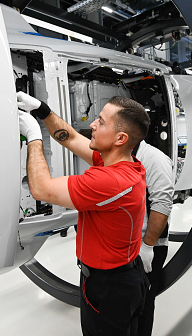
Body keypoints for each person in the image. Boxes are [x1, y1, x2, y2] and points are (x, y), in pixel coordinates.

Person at [17, 92, 150, 336]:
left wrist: (33, 136)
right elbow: (72, 139)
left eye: (101, 121)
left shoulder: (111, 181)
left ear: (120, 138)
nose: (92, 125)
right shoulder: (124, 163)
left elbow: (40, 189)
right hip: (126, 277)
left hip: (109, 287)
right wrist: (42, 110)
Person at [134, 140, 174, 336]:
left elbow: (162, 204)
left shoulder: (154, 159)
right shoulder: (118, 155)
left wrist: (148, 245)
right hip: (125, 245)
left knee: (143, 302)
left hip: (148, 246)